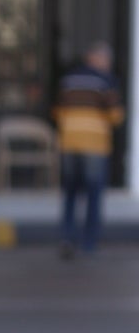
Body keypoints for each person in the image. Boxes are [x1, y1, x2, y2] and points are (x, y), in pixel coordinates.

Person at [54, 40, 125, 257]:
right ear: (96, 58)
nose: (108, 64)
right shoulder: (106, 81)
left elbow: (58, 112)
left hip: (69, 141)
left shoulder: (68, 79)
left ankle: (67, 236)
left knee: (70, 192)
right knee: (94, 193)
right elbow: (115, 116)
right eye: (106, 59)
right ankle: (89, 242)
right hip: (94, 144)